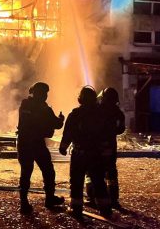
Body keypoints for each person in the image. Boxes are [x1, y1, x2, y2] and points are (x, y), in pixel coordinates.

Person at [59, 86, 112, 218]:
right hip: (96, 154)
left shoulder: (75, 114)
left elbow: (68, 133)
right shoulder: (101, 115)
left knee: (77, 181)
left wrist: (63, 147)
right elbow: (107, 134)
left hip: (79, 154)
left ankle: (76, 209)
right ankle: (105, 209)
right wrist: (106, 150)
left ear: (80, 99)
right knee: (98, 181)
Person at [16, 82, 65, 214]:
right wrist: (58, 120)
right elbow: (54, 124)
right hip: (29, 142)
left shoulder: (38, 106)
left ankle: (46, 198)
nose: (45, 95)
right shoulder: (31, 105)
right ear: (36, 92)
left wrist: (59, 120)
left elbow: (55, 124)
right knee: (30, 171)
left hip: (32, 142)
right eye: (43, 93)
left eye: (45, 93)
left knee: (45, 170)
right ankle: (26, 202)